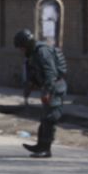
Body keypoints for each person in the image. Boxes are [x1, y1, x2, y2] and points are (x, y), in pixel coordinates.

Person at [14, 28, 67, 158]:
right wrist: (30, 87)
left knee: (50, 119)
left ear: (27, 44)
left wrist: (47, 92)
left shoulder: (43, 51)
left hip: (55, 87)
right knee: (45, 118)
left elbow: (50, 73)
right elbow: (34, 73)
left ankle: (46, 149)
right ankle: (40, 145)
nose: (21, 51)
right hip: (48, 87)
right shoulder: (33, 53)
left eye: (22, 48)